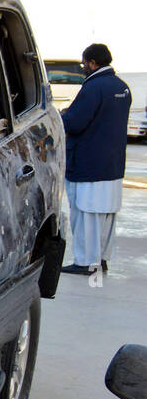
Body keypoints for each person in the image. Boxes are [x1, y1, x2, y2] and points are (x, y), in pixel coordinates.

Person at [61, 43, 132, 276]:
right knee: (107, 215)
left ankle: (85, 262)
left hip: (88, 164)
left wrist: (62, 116)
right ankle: (101, 259)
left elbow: (75, 122)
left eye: (84, 64)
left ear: (93, 63)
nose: (83, 68)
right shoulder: (123, 87)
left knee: (85, 215)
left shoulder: (93, 88)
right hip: (112, 164)